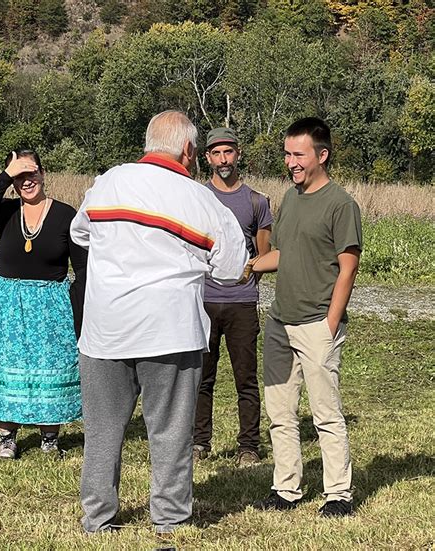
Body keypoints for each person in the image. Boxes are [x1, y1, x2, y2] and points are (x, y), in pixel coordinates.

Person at [70, 110, 248, 535]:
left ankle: (98, 517)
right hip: (170, 329)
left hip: (106, 330)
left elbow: (80, 233)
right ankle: (169, 518)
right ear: (189, 150)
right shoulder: (201, 199)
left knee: (101, 432)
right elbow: (230, 266)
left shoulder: (110, 181)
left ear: (148, 142)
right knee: (170, 431)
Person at [251, 118, 362, 517]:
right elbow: (283, 253)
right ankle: (286, 488)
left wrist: (330, 324)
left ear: (322, 155)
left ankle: (338, 495)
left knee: (326, 414)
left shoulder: (341, 205)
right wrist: (250, 266)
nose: (290, 162)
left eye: (298, 154)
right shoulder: (291, 198)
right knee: (280, 412)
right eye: (287, 154)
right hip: (280, 322)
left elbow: (347, 269)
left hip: (318, 324)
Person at [0, 149, 86, 459]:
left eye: (31, 172)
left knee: (49, 367)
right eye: (20, 176)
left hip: (51, 305)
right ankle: (7, 438)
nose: (27, 181)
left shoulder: (66, 215)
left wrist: (76, 310)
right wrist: (6, 175)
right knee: (9, 367)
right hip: (7, 304)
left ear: (43, 173)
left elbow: (84, 269)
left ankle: (50, 438)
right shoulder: (6, 212)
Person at [193, 127, 272, 466]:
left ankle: (249, 447)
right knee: (200, 377)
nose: (223, 159)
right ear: (207, 158)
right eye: (216, 153)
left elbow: (264, 256)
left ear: (238, 154)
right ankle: (199, 443)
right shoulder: (196, 197)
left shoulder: (257, 201)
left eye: (228, 152)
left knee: (246, 378)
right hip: (203, 300)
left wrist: (246, 271)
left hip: (242, 303)